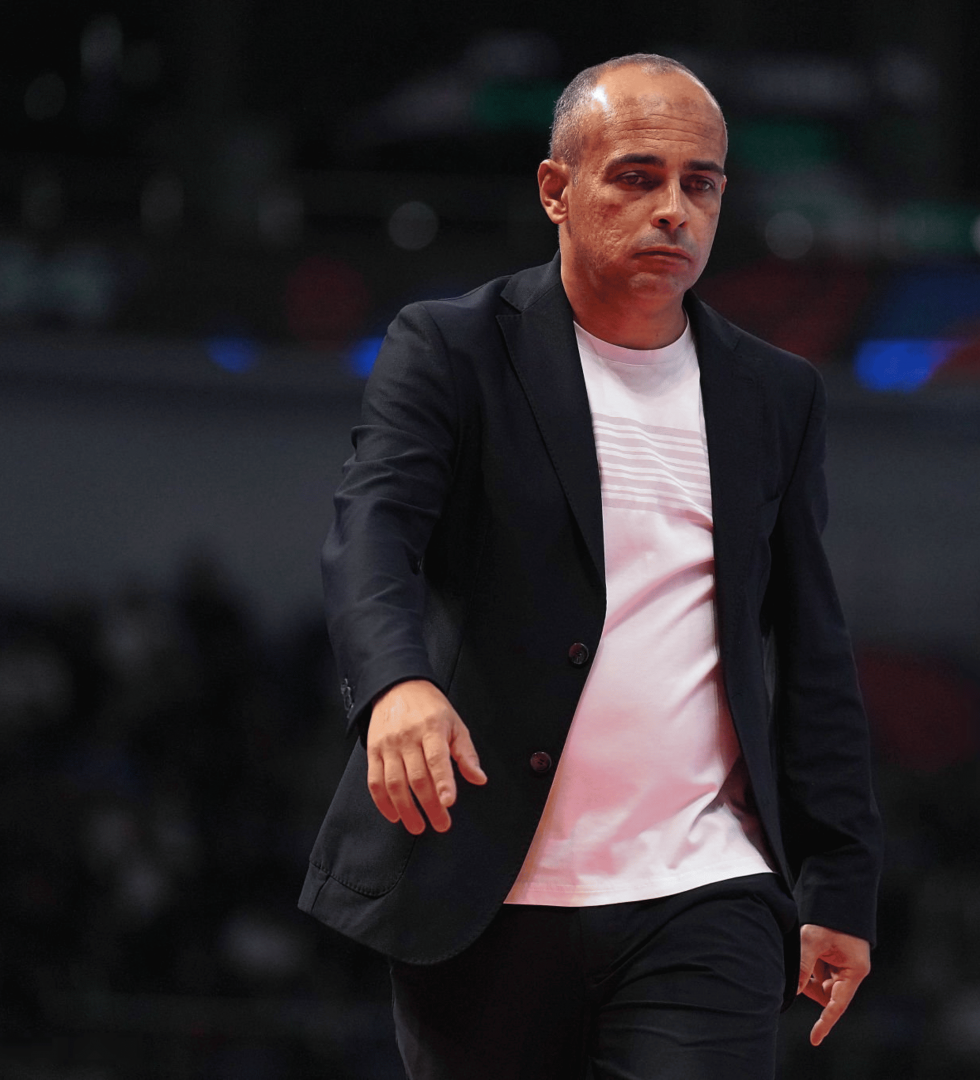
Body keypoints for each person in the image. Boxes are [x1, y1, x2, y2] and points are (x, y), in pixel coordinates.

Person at [298, 54, 882, 1079]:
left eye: (700, 184)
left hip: (705, 886)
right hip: (484, 889)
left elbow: (810, 646)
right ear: (555, 189)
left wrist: (839, 881)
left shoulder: (775, 394)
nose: (674, 210)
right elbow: (374, 527)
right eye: (637, 177)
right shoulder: (452, 348)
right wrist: (394, 683)